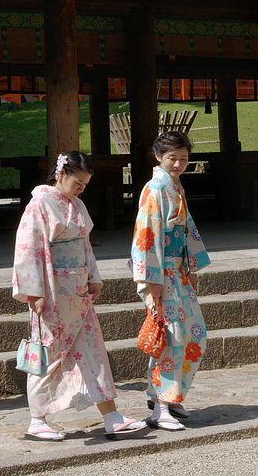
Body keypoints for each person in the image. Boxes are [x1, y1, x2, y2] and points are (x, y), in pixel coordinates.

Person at [13, 150, 146, 441]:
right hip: (53, 291)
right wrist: (34, 292)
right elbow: (28, 250)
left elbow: (85, 245)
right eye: (77, 183)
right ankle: (37, 419)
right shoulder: (40, 205)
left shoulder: (76, 205)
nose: (81, 189)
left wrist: (93, 277)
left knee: (93, 349)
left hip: (78, 291)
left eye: (84, 185)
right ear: (60, 175)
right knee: (49, 353)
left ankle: (112, 416)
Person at [130, 131, 211, 431]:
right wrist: (153, 281)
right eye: (172, 158)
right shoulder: (155, 189)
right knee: (171, 340)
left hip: (178, 273)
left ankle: (172, 395)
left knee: (195, 334)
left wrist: (189, 265)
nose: (178, 164)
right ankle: (159, 407)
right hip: (161, 275)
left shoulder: (175, 186)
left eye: (184, 159)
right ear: (158, 157)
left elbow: (185, 228)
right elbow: (147, 235)